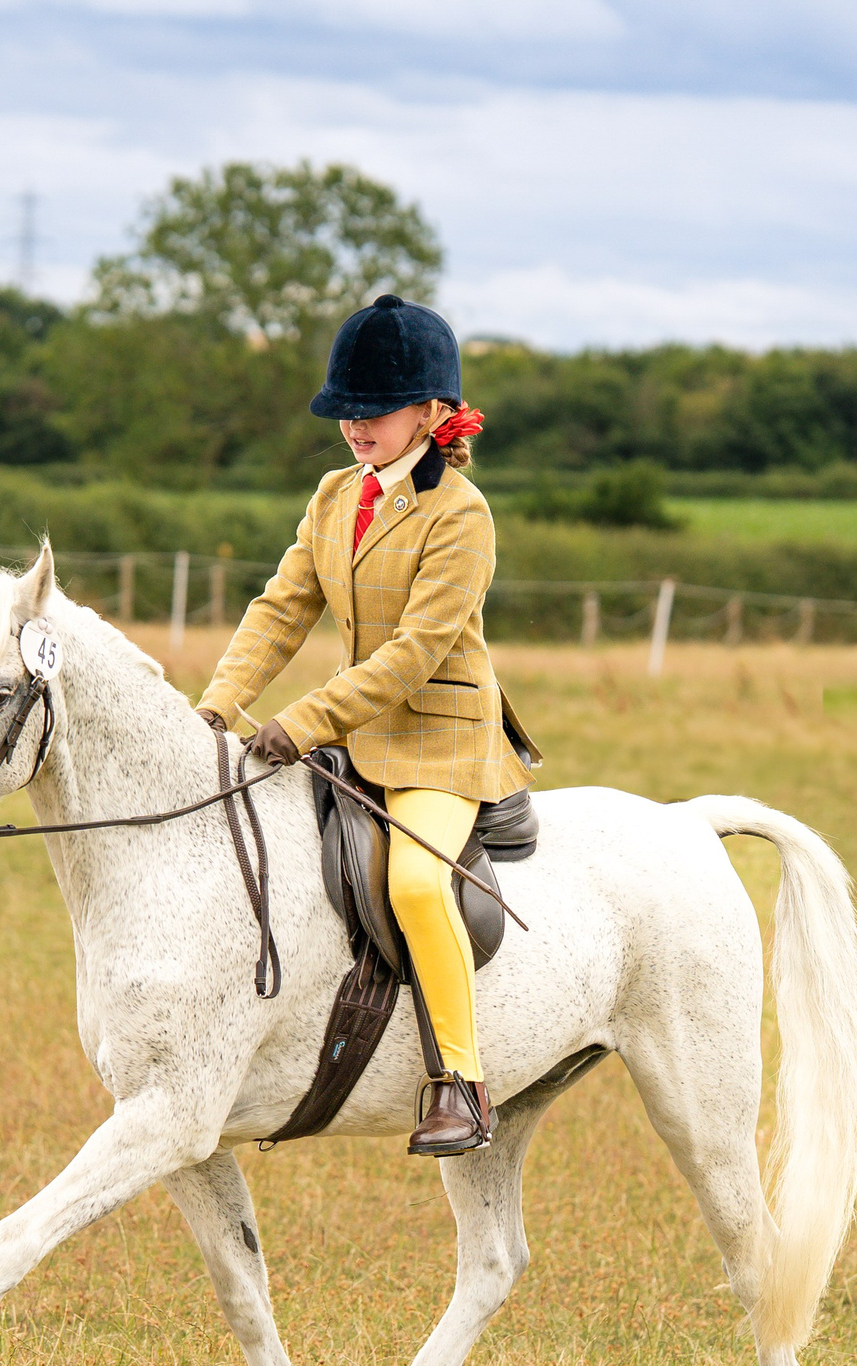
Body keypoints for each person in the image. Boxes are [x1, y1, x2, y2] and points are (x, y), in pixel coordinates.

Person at [197, 294, 540, 1159]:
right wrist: (214, 707)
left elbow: (414, 656)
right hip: (358, 733)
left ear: (431, 412)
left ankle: (460, 1082)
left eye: (374, 410)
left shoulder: (461, 515)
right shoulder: (332, 495)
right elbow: (282, 609)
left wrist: (303, 722)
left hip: (440, 740)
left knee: (419, 885)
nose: (354, 425)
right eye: (345, 409)